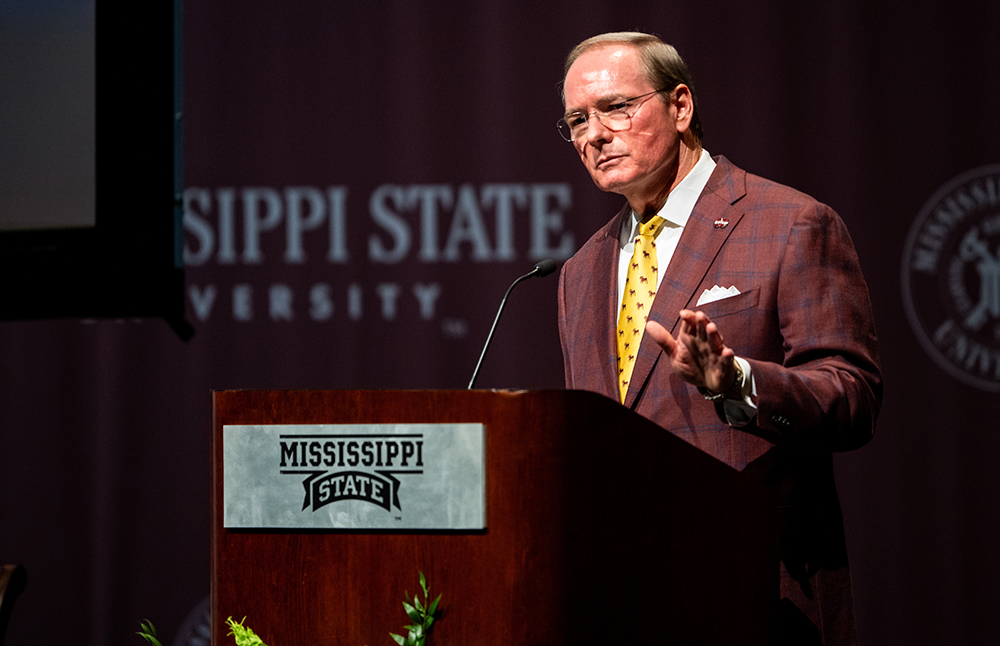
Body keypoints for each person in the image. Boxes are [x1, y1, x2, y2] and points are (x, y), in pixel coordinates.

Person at [556, 32, 882, 645]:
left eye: (617, 108)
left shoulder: (788, 223)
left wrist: (739, 384)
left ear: (680, 106)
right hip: (618, 600)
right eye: (577, 120)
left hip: (752, 592)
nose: (594, 134)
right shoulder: (581, 271)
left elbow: (853, 396)